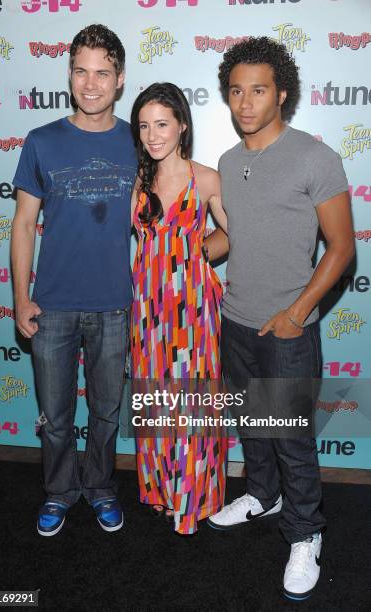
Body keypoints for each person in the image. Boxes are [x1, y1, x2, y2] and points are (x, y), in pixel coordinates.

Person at [205, 37, 354, 599]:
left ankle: (306, 531)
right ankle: (261, 496)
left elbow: (341, 248)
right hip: (234, 320)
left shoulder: (316, 157)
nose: (245, 102)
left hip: (288, 329)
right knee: (253, 427)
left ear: (282, 95)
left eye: (258, 90)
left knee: (292, 437)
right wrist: (182, 246)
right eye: (237, 91)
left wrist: (296, 314)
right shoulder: (228, 161)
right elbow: (233, 238)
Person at [11, 24, 137, 536]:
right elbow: (23, 225)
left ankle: (101, 487)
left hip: (114, 304)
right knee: (55, 415)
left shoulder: (139, 140)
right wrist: (21, 298)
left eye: (102, 73)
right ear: (69, 75)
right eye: (81, 71)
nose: (91, 83)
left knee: (106, 412)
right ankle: (60, 492)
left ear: (120, 79)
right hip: (53, 305)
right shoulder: (41, 141)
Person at [130, 82, 228, 535]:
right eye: (145, 126)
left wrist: (197, 257)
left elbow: (234, 234)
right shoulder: (138, 180)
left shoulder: (205, 178)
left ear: (182, 125)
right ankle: (163, 490)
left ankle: (191, 497)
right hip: (147, 306)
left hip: (192, 307)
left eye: (162, 124)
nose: (153, 135)